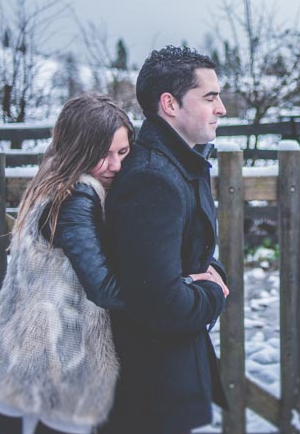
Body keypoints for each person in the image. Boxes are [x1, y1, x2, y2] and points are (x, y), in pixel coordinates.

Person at [0, 93, 134, 434]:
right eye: (102, 155)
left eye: (122, 152)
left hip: (20, 364)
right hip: (51, 379)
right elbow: (104, 289)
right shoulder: (76, 200)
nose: (116, 166)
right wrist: (172, 290)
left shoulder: (51, 181)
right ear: (78, 151)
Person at [103, 46, 230, 434]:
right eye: (209, 97)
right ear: (169, 104)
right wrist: (215, 294)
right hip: (149, 387)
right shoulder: (153, 179)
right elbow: (159, 302)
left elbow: (189, 256)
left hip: (167, 371)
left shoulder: (181, 164)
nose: (221, 107)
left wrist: (209, 273)